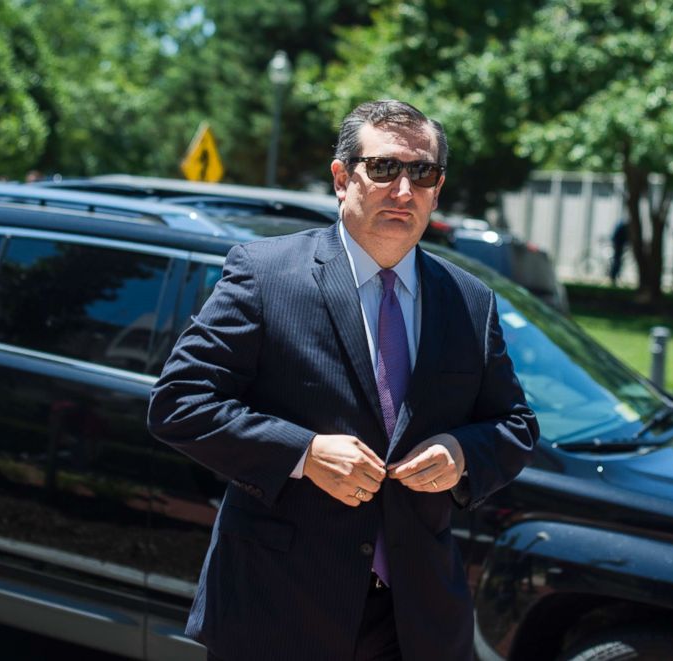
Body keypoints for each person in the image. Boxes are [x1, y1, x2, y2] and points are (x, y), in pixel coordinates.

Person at [147, 100, 538, 661]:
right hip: (280, 611)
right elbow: (179, 404)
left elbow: (516, 425)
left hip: (416, 622)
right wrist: (303, 453)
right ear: (341, 177)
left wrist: (463, 452)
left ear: (438, 187)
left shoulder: (469, 301)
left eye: (421, 172)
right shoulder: (263, 274)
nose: (403, 189)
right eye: (383, 169)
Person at [608, 216, 628, 285]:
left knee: (617, 260)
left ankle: (614, 275)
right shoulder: (624, 226)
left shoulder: (621, 224)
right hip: (618, 245)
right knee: (617, 261)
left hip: (617, 244)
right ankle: (613, 276)